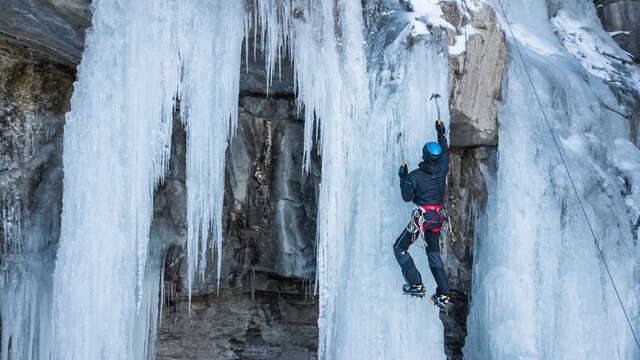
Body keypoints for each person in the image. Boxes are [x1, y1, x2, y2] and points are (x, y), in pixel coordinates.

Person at [394, 120, 450, 309]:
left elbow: (407, 197)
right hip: (437, 219)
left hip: (422, 219)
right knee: (433, 253)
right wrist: (440, 132)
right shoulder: (442, 168)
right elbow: (445, 150)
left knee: (400, 247)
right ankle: (443, 293)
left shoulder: (415, 176)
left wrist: (403, 177)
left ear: (424, 156)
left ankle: (416, 283)